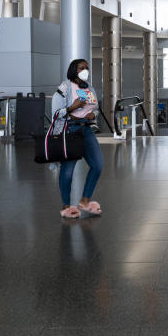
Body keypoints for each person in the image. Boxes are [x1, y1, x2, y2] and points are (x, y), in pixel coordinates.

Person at [50, 59, 104, 219]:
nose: (85, 70)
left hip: (86, 128)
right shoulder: (64, 88)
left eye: (86, 68)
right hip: (69, 130)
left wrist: (93, 114)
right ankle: (66, 206)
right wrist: (71, 108)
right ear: (74, 70)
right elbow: (55, 113)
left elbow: (96, 108)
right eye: (81, 68)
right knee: (67, 171)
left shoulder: (89, 87)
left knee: (97, 165)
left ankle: (85, 201)